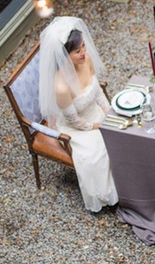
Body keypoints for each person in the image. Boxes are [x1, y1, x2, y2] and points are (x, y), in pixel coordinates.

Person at [39, 16, 119, 212]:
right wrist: (97, 126)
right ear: (64, 55)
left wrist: (110, 113)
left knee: (122, 134)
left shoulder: (87, 60)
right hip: (79, 127)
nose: (84, 52)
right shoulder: (61, 86)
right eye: (77, 51)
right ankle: (109, 196)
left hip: (97, 113)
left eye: (83, 46)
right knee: (98, 154)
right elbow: (74, 120)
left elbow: (97, 91)